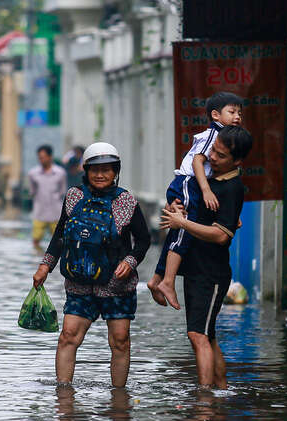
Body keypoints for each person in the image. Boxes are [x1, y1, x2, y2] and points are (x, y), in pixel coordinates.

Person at [32, 142, 151, 388]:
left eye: (107, 169)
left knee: (120, 341)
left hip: (117, 286)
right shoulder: (74, 196)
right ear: (85, 170)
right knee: (67, 337)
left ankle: (119, 401)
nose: (100, 174)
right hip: (79, 284)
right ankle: (64, 399)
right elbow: (60, 236)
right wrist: (45, 266)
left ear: (116, 171)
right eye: (95, 169)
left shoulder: (127, 202)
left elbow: (144, 240)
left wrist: (130, 261)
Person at [159, 125, 252, 388]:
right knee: (207, 336)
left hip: (211, 273)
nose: (213, 157)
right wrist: (174, 209)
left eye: (221, 156)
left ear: (237, 162)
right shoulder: (210, 181)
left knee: (197, 335)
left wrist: (182, 223)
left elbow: (222, 235)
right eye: (213, 150)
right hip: (196, 269)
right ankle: (219, 389)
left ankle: (204, 398)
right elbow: (188, 204)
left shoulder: (232, 188)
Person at [148, 92, 244, 310]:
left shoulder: (224, 136)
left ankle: (157, 279)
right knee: (183, 230)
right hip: (189, 182)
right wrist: (205, 189)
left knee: (178, 231)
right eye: (232, 112)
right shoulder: (214, 135)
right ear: (215, 115)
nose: (237, 116)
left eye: (240, 112)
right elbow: (197, 164)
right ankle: (168, 281)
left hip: (189, 185)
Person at [28, 144, 67, 250]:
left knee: (59, 241)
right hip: (39, 212)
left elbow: (62, 192)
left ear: (50, 157)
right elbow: (32, 192)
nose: (41, 160)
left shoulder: (60, 173)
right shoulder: (33, 173)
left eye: (43, 157)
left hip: (56, 213)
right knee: (35, 240)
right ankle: (37, 258)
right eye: (39, 157)